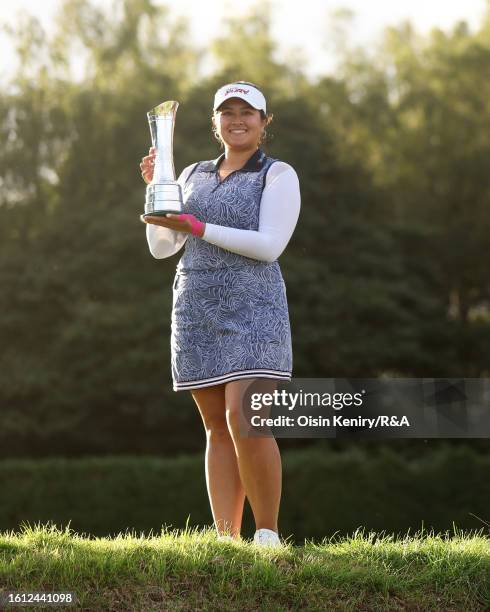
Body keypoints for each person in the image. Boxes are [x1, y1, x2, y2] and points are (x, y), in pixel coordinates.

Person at [139, 81, 301, 547]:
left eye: (247, 112)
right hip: (195, 308)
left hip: (254, 308)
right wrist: (158, 192)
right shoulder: (190, 173)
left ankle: (267, 534)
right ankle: (227, 541)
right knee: (216, 426)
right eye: (227, 111)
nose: (237, 119)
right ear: (214, 122)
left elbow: (270, 247)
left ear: (264, 122)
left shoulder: (278, 174)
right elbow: (161, 248)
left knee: (245, 417)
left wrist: (195, 224)